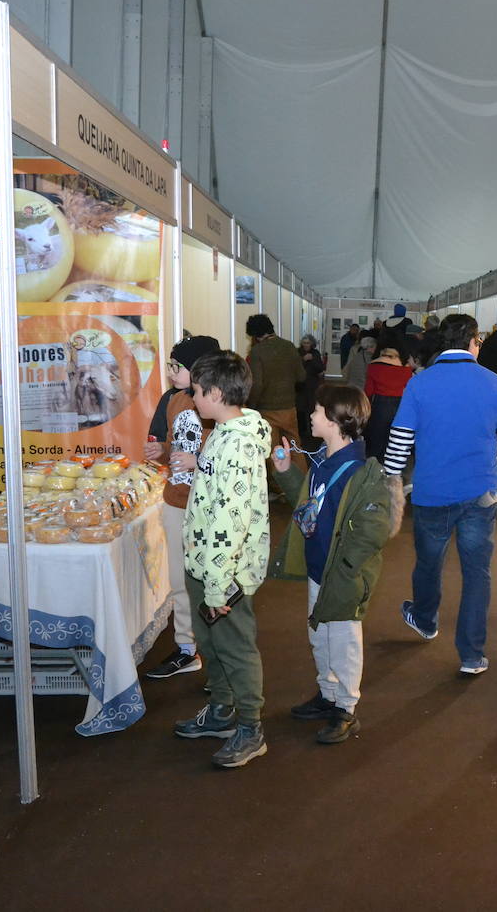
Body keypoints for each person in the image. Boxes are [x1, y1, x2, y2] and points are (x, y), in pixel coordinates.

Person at [383, 314, 497, 675]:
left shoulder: (421, 383)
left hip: (432, 491)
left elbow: (400, 437)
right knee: (477, 572)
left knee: (429, 561)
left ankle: (425, 618)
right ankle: (471, 654)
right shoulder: (494, 383)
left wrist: (391, 477)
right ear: (474, 341)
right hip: (481, 491)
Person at [271, 385, 400, 744]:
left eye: (315, 411)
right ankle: (327, 694)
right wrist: (285, 471)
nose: (310, 416)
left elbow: (372, 533)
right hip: (319, 569)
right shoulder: (324, 464)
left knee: (343, 641)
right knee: (319, 636)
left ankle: (346, 707)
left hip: (341, 575)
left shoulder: (364, 474)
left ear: (334, 419)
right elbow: (309, 503)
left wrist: (344, 570)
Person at [173, 350, 273, 769]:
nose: (193, 399)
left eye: (196, 392)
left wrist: (216, 585)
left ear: (215, 393)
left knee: (235, 648)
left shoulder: (235, 444)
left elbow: (228, 524)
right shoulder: (225, 432)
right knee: (212, 644)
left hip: (223, 572)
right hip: (206, 564)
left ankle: (251, 728)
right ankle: (222, 711)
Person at [143, 334, 219, 680]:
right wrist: (162, 450)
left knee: (213, 583)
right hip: (176, 500)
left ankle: (219, 656)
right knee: (179, 579)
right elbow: (169, 440)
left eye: (178, 366)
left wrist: (198, 459)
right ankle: (187, 649)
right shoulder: (172, 400)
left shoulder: (219, 404)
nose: (171, 372)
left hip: (212, 507)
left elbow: (232, 459)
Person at [245, 313, 305, 471]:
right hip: (289, 407)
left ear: (255, 335)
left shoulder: (257, 351)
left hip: (267, 410)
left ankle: (278, 488)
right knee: (294, 445)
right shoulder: (289, 346)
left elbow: (257, 384)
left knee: (272, 450)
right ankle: (302, 481)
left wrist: (251, 407)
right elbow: (301, 376)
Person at [361, 333, 415, 460]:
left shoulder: (373, 366)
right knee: (396, 441)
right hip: (400, 406)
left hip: (380, 406)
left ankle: (375, 469)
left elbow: (368, 391)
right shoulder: (406, 369)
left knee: (377, 441)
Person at [296, 334, 326, 448]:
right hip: (300, 385)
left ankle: (311, 430)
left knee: (311, 407)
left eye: (308, 343)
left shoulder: (315, 353)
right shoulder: (297, 352)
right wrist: (303, 360)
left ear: (312, 344)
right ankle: (302, 431)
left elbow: (320, 368)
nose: (306, 345)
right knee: (300, 407)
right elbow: (295, 366)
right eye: (304, 343)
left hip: (312, 384)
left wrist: (312, 360)